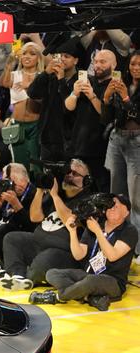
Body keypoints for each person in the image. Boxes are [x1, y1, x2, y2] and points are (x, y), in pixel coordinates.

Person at [31, 194, 137, 311]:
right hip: (88, 274)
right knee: (52, 273)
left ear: (126, 212)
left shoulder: (129, 231)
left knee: (91, 281)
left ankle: (58, 297)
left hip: (113, 281)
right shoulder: (97, 224)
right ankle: (90, 297)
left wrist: (98, 232)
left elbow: (112, 256)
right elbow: (78, 255)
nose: (111, 209)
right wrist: (72, 232)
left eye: (116, 207)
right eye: (109, 206)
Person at [0, 159, 93, 291]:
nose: (69, 176)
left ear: (86, 180)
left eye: (75, 174)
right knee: (12, 238)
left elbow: (69, 220)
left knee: (42, 263)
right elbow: (34, 217)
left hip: (62, 252)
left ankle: (27, 277)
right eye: (68, 172)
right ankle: (18, 275)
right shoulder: (57, 193)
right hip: (38, 243)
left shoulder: (87, 200)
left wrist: (54, 196)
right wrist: (39, 190)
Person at [102, 49, 140, 259]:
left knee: (136, 200)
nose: (135, 68)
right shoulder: (120, 82)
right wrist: (107, 98)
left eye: (139, 65)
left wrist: (126, 97)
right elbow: (105, 118)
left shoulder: (126, 89)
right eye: (133, 64)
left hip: (137, 142)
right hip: (117, 139)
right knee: (116, 196)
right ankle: (115, 244)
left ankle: (137, 250)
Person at [64, 49, 114, 192]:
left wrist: (92, 96)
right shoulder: (86, 81)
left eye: (103, 62)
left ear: (114, 65)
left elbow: (107, 116)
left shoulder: (115, 86)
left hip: (100, 150)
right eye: (96, 61)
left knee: (101, 190)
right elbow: (68, 108)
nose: (97, 65)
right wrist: (74, 93)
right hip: (78, 146)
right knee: (76, 190)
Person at [28, 37, 81, 161]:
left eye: (66, 56)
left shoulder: (81, 80)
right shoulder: (50, 77)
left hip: (70, 140)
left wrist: (61, 80)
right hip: (48, 139)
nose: (62, 59)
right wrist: (45, 73)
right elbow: (32, 93)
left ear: (76, 60)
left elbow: (69, 108)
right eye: (59, 56)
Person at [0, 42, 43, 172]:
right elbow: (3, 83)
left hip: (35, 125)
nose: (27, 57)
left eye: (32, 54)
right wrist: (9, 64)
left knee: (36, 163)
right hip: (17, 125)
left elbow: (45, 101)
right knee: (18, 162)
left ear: (38, 58)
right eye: (24, 53)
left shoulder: (42, 77)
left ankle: (37, 190)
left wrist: (29, 87)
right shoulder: (14, 75)